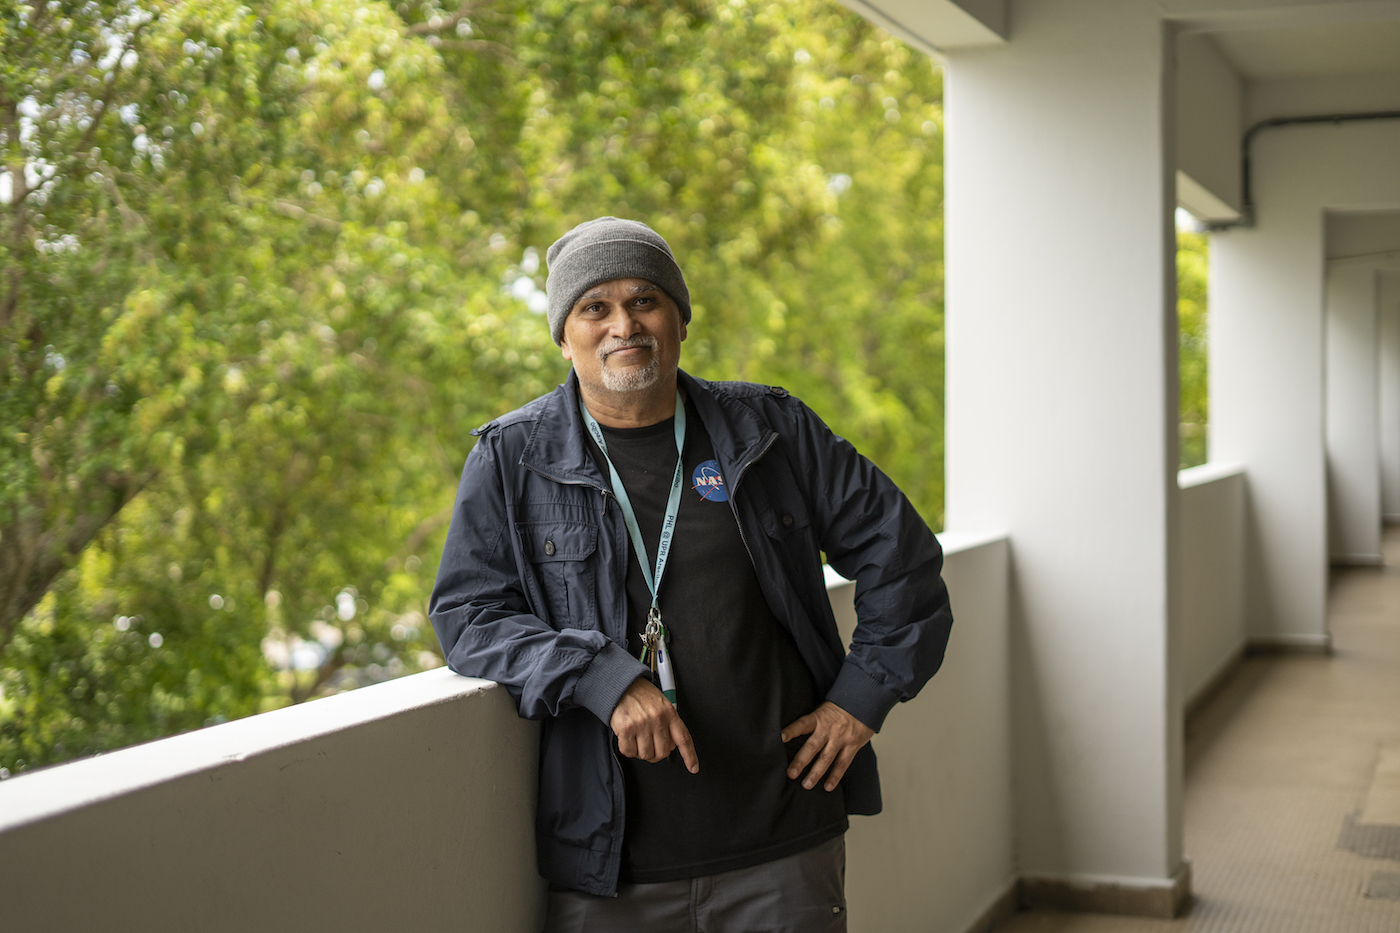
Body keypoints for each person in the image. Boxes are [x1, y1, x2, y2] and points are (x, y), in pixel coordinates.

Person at [430, 217, 952, 932]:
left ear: (680, 318)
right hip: (611, 862)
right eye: (595, 307)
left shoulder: (770, 429)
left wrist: (861, 699)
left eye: (645, 299)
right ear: (564, 335)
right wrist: (600, 677)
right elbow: (469, 616)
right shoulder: (511, 459)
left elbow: (904, 558)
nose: (624, 324)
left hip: (782, 839)